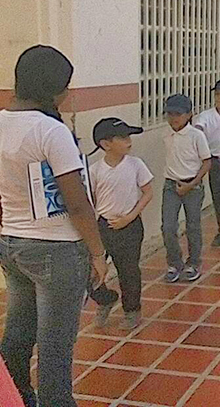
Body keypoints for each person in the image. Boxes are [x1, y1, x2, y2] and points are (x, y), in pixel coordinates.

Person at [0, 45, 107, 407]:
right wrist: (98, 252)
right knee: (55, 348)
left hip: (12, 243)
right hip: (57, 249)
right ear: (54, 90)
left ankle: (15, 397)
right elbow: (77, 202)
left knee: (17, 333)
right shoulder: (51, 130)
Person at [89, 118, 154, 330]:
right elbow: (91, 200)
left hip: (130, 227)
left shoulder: (136, 165)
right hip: (103, 227)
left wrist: (129, 217)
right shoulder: (94, 170)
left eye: (129, 137)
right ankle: (105, 299)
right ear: (105, 144)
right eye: (123, 137)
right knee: (89, 271)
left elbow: (147, 192)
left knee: (129, 271)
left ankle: (132, 310)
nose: (128, 141)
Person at [162, 94, 211, 283]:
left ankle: (194, 263)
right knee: (168, 226)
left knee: (193, 226)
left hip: (193, 185)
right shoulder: (166, 134)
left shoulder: (196, 135)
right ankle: (174, 263)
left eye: (178, 114)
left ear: (189, 114)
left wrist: (192, 183)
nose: (173, 118)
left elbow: (206, 162)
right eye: (170, 114)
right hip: (170, 184)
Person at [195, 80, 220, 247]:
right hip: (215, 162)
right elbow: (198, 130)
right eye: (217, 94)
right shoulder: (206, 116)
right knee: (219, 199)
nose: (219, 98)